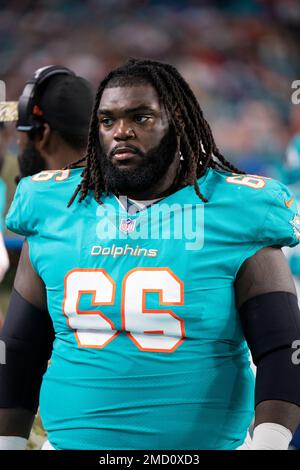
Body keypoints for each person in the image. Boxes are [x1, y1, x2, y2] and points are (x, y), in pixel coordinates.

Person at [0, 58, 300, 450]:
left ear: (175, 121)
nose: (121, 131)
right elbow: (21, 348)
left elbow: (282, 346)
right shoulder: (53, 202)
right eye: (107, 121)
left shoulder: (237, 207)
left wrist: (270, 445)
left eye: (140, 118)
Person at [14, 65, 94, 181]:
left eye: (22, 134)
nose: (18, 142)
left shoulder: (29, 193)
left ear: (43, 135)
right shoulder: (121, 188)